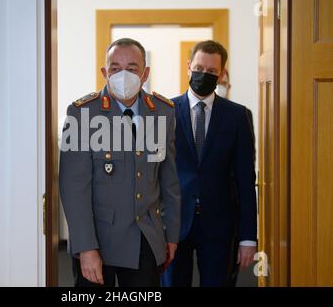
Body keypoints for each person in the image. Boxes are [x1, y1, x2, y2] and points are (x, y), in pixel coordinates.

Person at [59, 38, 181, 287]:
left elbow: (169, 181)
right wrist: (86, 247)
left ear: (145, 73)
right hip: (96, 240)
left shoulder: (163, 111)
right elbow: (74, 188)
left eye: (132, 68)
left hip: (146, 238)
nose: (122, 75)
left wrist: (172, 235)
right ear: (105, 72)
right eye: (115, 68)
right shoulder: (82, 113)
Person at [161, 40, 257, 287]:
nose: (204, 75)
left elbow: (246, 179)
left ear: (222, 74)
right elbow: (152, 173)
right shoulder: (165, 112)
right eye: (199, 68)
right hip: (173, 224)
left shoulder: (238, 116)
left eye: (212, 72)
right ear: (188, 67)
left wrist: (248, 238)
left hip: (220, 224)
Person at [216, 69, 257, 287]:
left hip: (226, 215)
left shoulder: (240, 115)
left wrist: (247, 235)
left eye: (223, 82)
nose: (218, 86)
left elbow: (246, 173)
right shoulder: (174, 110)